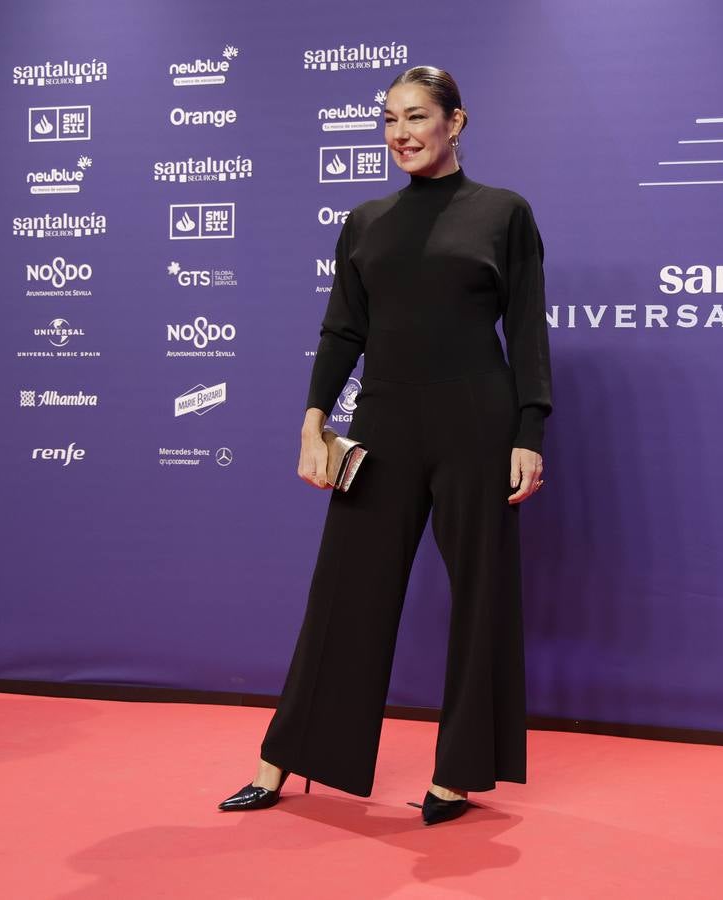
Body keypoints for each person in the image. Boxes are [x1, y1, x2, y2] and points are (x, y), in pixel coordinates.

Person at [219, 65, 552, 826]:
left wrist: (528, 430)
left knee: (480, 595)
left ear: (455, 123)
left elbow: (527, 327)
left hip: (477, 418)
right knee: (344, 590)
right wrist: (313, 418)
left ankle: (457, 775)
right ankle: (283, 760)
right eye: (389, 120)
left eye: (416, 117)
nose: (401, 133)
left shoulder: (503, 212)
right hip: (384, 420)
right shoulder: (366, 221)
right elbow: (343, 329)